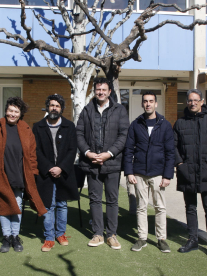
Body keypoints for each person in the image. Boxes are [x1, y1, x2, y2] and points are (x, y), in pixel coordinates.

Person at [0, 97, 47, 253]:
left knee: (17, 206)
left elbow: (32, 154)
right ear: (6, 110)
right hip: (0, 174)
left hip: (19, 175)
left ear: (20, 114)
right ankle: (6, 237)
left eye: (16, 111)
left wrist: (32, 172)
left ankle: (15, 236)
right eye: (10, 110)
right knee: (4, 206)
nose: (12, 114)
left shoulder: (25, 129)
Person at [76, 77, 129, 250]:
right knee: (95, 199)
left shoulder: (120, 110)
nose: (100, 92)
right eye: (98, 89)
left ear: (109, 92)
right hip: (92, 163)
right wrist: (88, 153)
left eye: (103, 90)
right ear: (95, 91)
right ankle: (98, 233)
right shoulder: (87, 110)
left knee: (112, 200)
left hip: (112, 163)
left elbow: (123, 135)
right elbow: (79, 134)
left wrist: (108, 154)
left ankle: (111, 235)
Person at [173, 89, 207, 260]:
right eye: (189, 100)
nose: (192, 103)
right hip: (187, 172)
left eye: (196, 100)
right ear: (186, 102)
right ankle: (192, 239)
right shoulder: (180, 123)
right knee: (191, 208)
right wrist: (180, 164)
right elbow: (173, 146)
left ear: (202, 101)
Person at [123, 91, 175, 252]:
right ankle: (142, 238)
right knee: (141, 206)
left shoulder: (164, 124)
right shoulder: (136, 124)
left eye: (151, 101)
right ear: (142, 104)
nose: (148, 104)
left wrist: (167, 175)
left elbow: (170, 152)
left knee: (160, 207)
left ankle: (161, 239)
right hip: (139, 173)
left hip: (158, 173)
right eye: (145, 101)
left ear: (156, 104)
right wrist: (129, 172)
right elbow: (128, 150)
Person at [33, 94, 80, 252]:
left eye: (57, 106)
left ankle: (61, 234)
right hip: (45, 173)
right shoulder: (38, 126)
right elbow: (36, 151)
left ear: (62, 109)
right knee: (48, 204)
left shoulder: (69, 126)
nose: (54, 108)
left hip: (64, 172)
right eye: (51, 105)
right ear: (47, 107)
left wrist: (61, 167)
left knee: (61, 204)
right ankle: (49, 237)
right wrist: (48, 167)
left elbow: (72, 149)